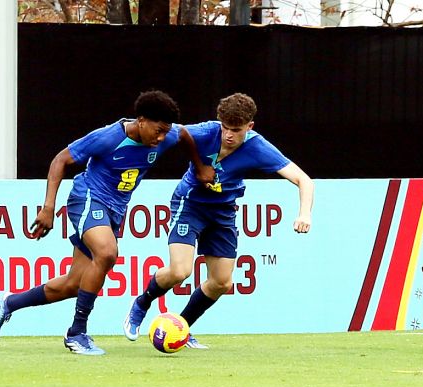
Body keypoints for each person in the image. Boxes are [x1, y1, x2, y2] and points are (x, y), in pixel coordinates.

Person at [0, 90, 214, 355]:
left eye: (165, 132)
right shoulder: (108, 137)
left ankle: (8, 302)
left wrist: (199, 167)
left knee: (73, 284)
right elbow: (61, 160)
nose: (162, 138)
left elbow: (184, 134)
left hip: (115, 210)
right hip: (88, 199)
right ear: (141, 120)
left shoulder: (166, 135)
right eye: (158, 130)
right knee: (106, 253)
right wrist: (48, 207)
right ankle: (76, 333)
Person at [123, 92, 314, 348]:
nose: (228, 135)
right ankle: (142, 304)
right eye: (225, 128)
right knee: (180, 271)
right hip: (189, 204)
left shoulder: (258, 147)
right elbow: (168, 132)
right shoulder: (206, 132)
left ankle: (182, 327)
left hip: (223, 213)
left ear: (250, 126)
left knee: (222, 282)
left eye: (236, 130)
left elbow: (303, 179)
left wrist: (304, 213)